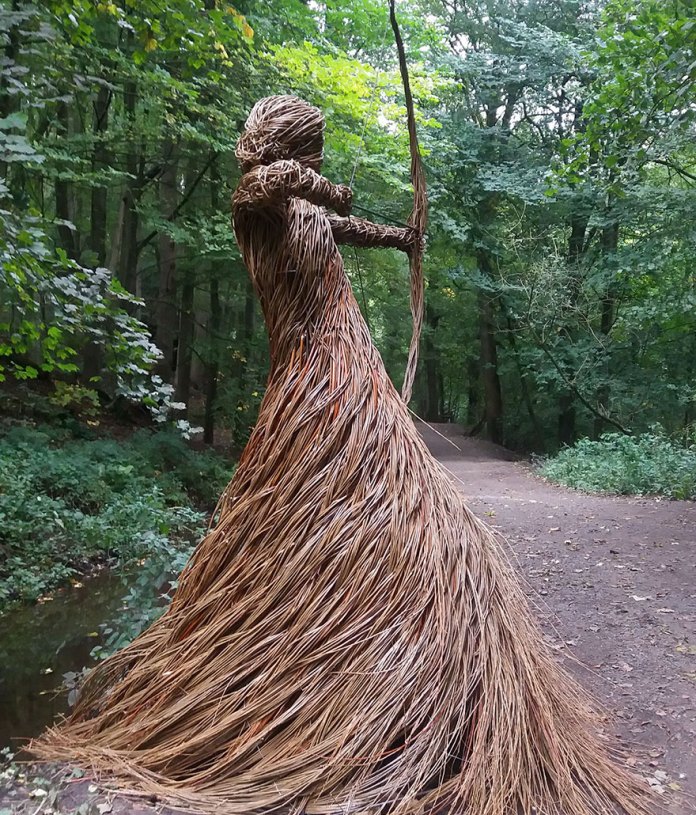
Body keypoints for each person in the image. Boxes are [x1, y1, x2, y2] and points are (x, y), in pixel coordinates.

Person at [34, 95, 648, 815]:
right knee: (308, 517)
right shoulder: (256, 201)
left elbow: (349, 226)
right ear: (294, 146)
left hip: (355, 377)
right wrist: (323, 181)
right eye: (311, 148)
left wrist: (404, 237)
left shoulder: (306, 211)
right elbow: (271, 183)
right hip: (311, 385)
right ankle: (300, 664)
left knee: (416, 518)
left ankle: (420, 662)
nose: (316, 163)